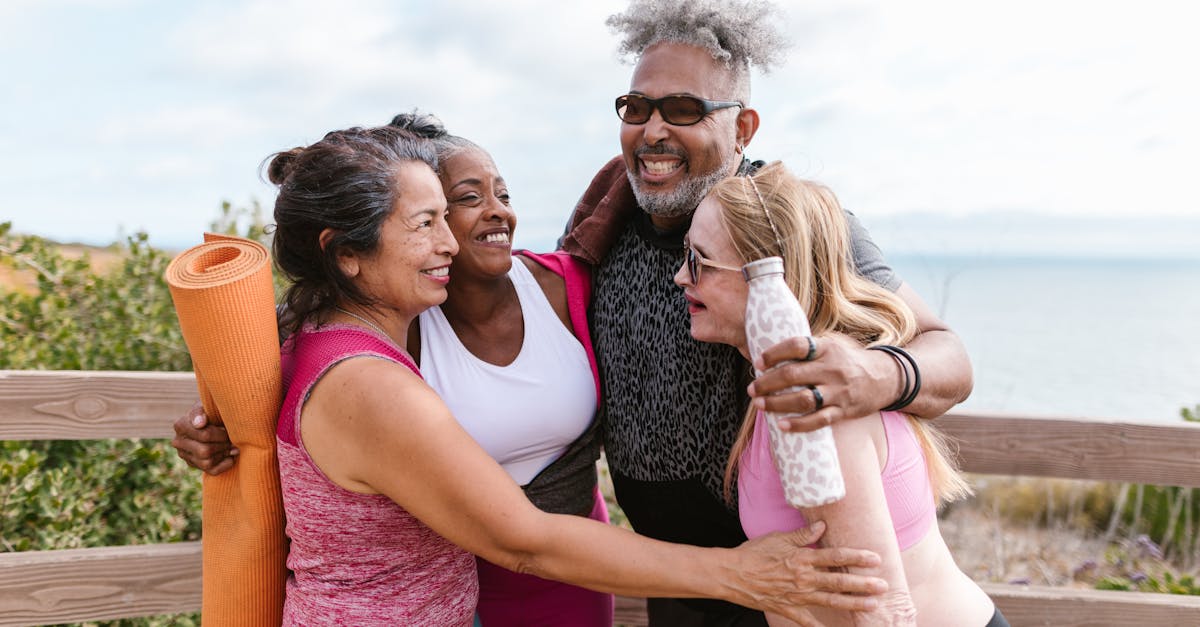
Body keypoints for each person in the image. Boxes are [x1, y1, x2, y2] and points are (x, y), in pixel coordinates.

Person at [261, 124, 888, 624]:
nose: (449, 243)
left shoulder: (328, 345)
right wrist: (738, 574)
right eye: (427, 223)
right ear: (345, 255)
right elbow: (525, 540)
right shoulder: (367, 382)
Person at [555, 2, 974, 624]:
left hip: (788, 569)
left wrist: (873, 376)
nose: (652, 131)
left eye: (684, 110)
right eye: (636, 108)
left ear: (743, 128)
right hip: (674, 580)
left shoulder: (779, 222)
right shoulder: (603, 223)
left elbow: (951, 357)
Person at [675, 161, 1007, 626]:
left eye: (700, 261)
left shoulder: (823, 403)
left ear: (771, 278)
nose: (681, 277)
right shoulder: (795, 381)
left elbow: (886, 613)